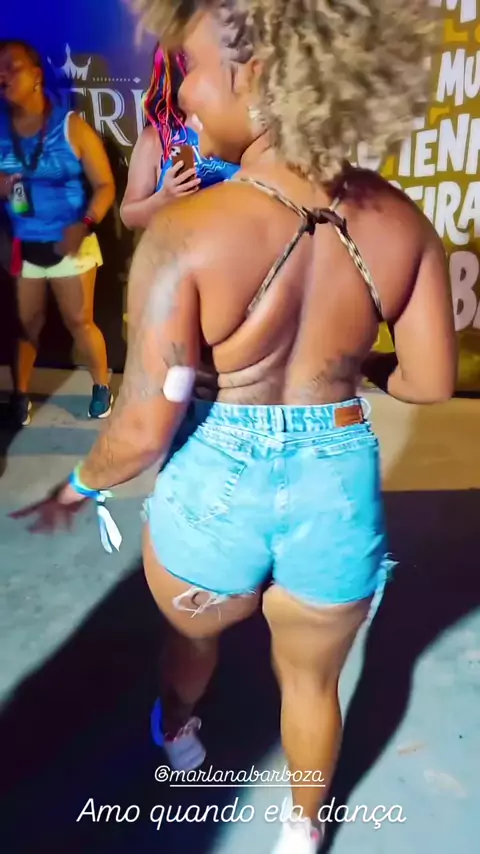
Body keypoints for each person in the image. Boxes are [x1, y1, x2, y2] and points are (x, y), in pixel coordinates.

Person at [13, 1, 456, 851]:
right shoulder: (400, 221)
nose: (182, 97)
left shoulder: (186, 232)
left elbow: (144, 429)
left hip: (217, 481)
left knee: (193, 640)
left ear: (255, 78)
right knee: (314, 683)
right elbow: (430, 382)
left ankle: (180, 735)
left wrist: (78, 484)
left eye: (190, 73)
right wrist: (352, 368)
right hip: (336, 486)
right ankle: (302, 831)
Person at [0, 40, 115, 426]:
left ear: (36, 76)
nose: (2, 75)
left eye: (11, 67)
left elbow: (105, 186)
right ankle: (19, 396)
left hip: (72, 242)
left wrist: (84, 224)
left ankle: (101, 387)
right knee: (26, 326)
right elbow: (9, 188)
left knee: (80, 322)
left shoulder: (71, 127)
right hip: (24, 244)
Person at [120, 46, 238, 230]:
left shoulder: (239, 126)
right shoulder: (157, 137)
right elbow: (128, 216)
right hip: (180, 244)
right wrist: (164, 199)